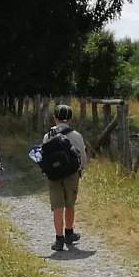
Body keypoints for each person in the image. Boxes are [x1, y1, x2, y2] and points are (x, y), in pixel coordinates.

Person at [36, 102, 87, 251]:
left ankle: (59, 240)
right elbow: (82, 157)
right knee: (70, 204)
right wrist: (80, 169)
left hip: (53, 176)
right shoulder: (77, 136)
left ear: (54, 118)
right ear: (70, 119)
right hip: (71, 174)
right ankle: (69, 233)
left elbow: (43, 156)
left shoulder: (48, 136)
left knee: (57, 206)